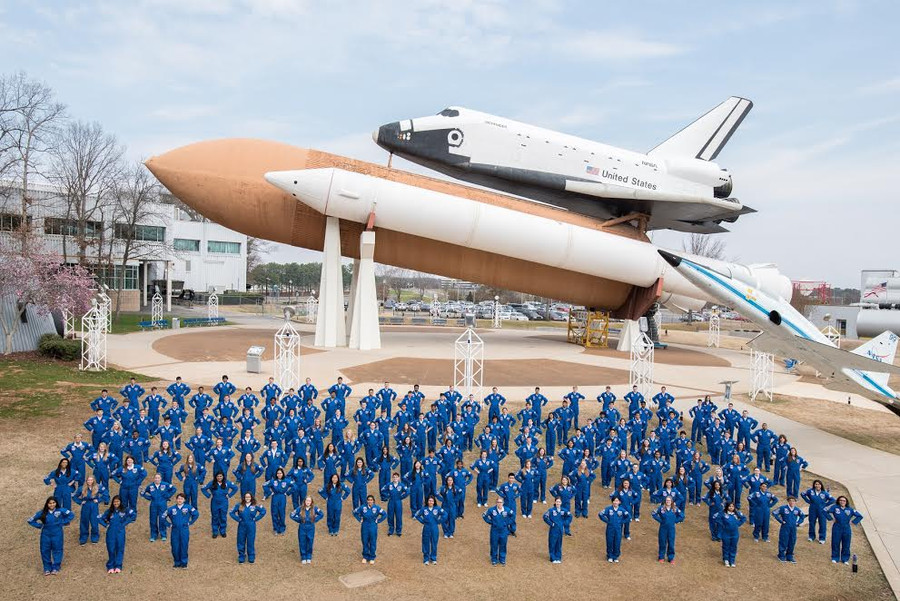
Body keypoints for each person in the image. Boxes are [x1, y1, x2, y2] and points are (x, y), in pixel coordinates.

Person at [27, 497, 74, 575]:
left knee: (58, 549)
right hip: (45, 535)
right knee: (45, 550)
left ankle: (56, 567)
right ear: (47, 504)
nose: (52, 505)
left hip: (57, 534)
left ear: (56, 503)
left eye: (53, 503)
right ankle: (47, 568)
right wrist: (39, 526)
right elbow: (30, 520)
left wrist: (62, 522)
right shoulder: (42, 513)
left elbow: (71, 515)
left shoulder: (61, 510)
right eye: (50, 503)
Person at [98, 495, 136, 574]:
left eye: (118, 501)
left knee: (120, 548)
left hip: (120, 532)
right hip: (111, 532)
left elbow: (133, 515)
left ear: (120, 502)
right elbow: (99, 518)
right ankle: (111, 566)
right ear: (112, 502)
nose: (116, 503)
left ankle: (118, 565)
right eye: (115, 501)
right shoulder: (109, 511)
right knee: (111, 548)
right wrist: (106, 525)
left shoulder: (125, 510)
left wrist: (125, 523)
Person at [163, 492, 199, 568]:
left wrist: (190, 522)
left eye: (181, 499)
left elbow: (196, 514)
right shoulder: (171, 509)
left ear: (184, 500)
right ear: (176, 499)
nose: (180, 500)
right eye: (178, 498)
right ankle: (177, 562)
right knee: (175, 546)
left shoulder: (188, 507)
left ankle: (184, 563)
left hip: (184, 530)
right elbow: (163, 517)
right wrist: (169, 525)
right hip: (175, 530)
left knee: (184, 545)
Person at [229, 492, 267, 564]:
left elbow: (263, 511)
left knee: (250, 541)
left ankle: (251, 556)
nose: (247, 499)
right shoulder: (239, 505)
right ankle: (241, 556)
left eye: (249, 497)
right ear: (244, 498)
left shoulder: (255, 505)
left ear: (251, 497)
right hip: (242, 525)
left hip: (251, 525)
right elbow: (231, 512)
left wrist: (256, 518)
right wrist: (238, 519)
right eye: (246, 497)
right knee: (241, 540)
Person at [826, 496, 864, 564]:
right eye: (841, 500)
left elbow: (860, 516)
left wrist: (853, 522)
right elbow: (824, 511)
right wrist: (831, 518)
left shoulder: (850, 509)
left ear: (846, 502)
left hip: (846, 528)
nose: (842, 502)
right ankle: (835, 557)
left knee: (846, 543)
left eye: (844, 501)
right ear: (838, 501)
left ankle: (845, 559)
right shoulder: (835, 507)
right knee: (835, 543)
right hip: (837, 527)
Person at [201, 471, 238, 538]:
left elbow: (235, 488)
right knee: (215, 516)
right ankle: (215, 531)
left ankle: (222, 531)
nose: (219, 477)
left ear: (223, 476)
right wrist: (208, 495)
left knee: (223, 516)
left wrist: (229, 495)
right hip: (214, 502)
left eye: (220, 476)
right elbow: (203, 488)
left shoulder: (227, 482)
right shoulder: (212, 483)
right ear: (215, 477)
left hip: (224, 502)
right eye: (218, 476)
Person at [73, 476, 109, 545]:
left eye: (91, 480)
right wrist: (80, 502)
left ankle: (95, 537)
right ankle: (83, 537)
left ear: (94, 480)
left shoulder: (98, 487)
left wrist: (99, 500)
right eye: (88, 480)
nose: (90, 482)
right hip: (85, 505)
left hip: (94, 506)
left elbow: (106, 493)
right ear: (86, 481)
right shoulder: (82, 488)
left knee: (94, 521)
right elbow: (74, 496)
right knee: (84, 521)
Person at [141, 473, 176, 542]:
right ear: (154, 479)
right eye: (155, 478)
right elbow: (143, 492)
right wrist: (149, 497)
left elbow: (174, 489)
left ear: (161, 478)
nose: (157, 479)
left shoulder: (165, 484)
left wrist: (167, 496)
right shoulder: (150, 486)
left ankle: (163, 535)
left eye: (158, 478)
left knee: (162, 519)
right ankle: (153, 535)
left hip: (162, 505)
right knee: (153, 520)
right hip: (153, 505)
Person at [414, 495, 447, 565]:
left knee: (434, 543)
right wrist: (422, 521)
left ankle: (433, 558)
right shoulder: (424, 509)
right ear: (427, 501)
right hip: (426, 528)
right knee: (426, 543)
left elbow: (445, 514)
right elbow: (417, 515)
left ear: (434, 501)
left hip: (435, 528)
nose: (430, 502)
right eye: (429, 500)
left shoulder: (437, 508)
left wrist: (439, 521)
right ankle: (426, 558)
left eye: (432, 501)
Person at [290, 496, 325, 564]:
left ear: (311, 502)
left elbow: (321, 514)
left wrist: (314, 520)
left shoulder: (314, 508)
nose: (308, 502)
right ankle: (303, 557)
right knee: (302, 542)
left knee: (310, 542)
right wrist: (300, 520)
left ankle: (309, 556)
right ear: (304, 501)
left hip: (311, 528)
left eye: (309, 501)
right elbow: (292, 515)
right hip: (302, 527)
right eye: (307, 501)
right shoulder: (300, 508)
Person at [773, 496, 806, 563]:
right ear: (788, 501)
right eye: (790, 500)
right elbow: (774, 513)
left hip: (793, 528)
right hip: (785, 527)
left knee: (792, 541)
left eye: (793, 501)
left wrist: (798, 522)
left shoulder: (797, 509)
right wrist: (781, 521)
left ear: (795, 502)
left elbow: (802, 516)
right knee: (783, 540)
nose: (792, 502)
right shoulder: (783, 508)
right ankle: (781, 555)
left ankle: (789, 555)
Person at [801, 479, 835, 544]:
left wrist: (825, 504)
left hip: (822, 511)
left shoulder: (824, 493)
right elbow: (802, 494)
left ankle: (822, 538)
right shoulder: (810, 491)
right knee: (812, 523)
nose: (817, 485)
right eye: (816, 484)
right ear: (814, 485)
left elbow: (833, 499)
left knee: (822, 524)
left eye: (819, 484)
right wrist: (808, 501)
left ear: (821, 485)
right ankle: (811, 536)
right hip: (812, 510)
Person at [483, 496, 514, 566]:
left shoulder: (507, 510)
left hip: (503, 530)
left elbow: (513, 516)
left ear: (503, 503)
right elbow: (484, 515)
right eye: (498, 502)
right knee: (494, 545)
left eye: (500, 502)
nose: (499, 504)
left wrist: (507, 523)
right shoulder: (491, 510)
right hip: (494, 530)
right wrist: (490, 522)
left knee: (503, 545)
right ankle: (494, 560)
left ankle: (502, 560)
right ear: (496, 503)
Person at [652, 496, 684, 564]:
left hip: (671, 529)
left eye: (669, 500)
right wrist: (660, 520)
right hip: (663, 528)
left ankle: (671, 558)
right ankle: (661, 557)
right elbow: (653, 513)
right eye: (667, 500)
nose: (668, 502)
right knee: (662, 543)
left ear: (671, 501)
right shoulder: (661, 508)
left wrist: (675, 521)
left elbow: (682, 515)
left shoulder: (675, 509)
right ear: (665, 501)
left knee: (671, 543)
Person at [598, 496, 630, 563]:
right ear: (612, 502)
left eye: (617, 501)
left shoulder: (622, 510)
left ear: (619, 502)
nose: (615, 502)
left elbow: (628, 516)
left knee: (617, 542)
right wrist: (607, 521)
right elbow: (600, 514)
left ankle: (615, 556)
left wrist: (622, 522)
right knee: (609, 542)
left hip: (618, 529)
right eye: (614, 501)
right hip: (610, 528)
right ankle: (609, 556)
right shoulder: (608, 509)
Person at [716, 501, 747, 567]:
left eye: (732, 506)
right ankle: (726, 559)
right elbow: (716, 518)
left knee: (733, 547)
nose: (731, 507)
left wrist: (738, 524)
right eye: (730, 506)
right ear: (727, 507)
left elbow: (744, 518)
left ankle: (732, 560)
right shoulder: (723, 514)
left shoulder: (737, 513)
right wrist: (723, 525)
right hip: (726, 533)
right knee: (726, 546)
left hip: (735, 534)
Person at [262, 468, 291, 535]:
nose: (279, 474)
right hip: (275, 497)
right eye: (278, 473)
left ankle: (282, 529)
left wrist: (288, 493)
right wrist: (270, 493)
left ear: (283, 474)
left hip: (282, 497)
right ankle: (275, 528)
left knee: (282, 513)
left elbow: (294, 486)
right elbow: (264, 485)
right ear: (276, 474)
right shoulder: (273, 481)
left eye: (280, 473)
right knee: (274, 513)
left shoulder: (286, 481)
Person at [382, 472, 410, 537]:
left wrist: (402, 497)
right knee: (390, 516)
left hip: (398, 502)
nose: (395, 478)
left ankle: (398, 531)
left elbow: (407, 491)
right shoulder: (389, 485)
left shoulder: (401, 485)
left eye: (396, 477)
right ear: (392, 478)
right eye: (394, 477)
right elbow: (383, 490)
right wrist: (387, 495)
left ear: (398, 478)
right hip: (391, 502)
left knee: (398, 516)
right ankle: (391, 530)